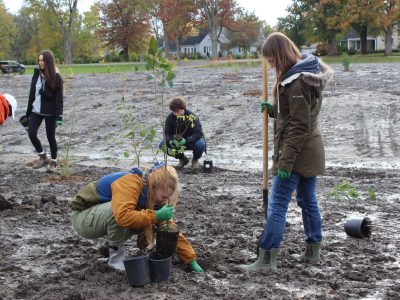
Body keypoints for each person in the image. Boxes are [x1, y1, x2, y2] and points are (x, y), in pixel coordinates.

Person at [239, 32, 333, 272]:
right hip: (308, 149)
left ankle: (267, 258)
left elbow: (299, 126)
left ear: (281, 55)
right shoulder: (299, 74)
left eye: (272, 61)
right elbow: (296, 114)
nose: (270, 66)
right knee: (306, 200)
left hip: (298, 152)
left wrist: (285, 163)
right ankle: (313, 250)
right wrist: (275, 110)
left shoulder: (299, 80)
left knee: (278, 203)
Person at [69, 162, 204, 273]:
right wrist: (156, 215)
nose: (164, 201)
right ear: (153, 185)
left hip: (97, 217)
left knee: (144, 215)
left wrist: (190, 259)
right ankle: (115, 257)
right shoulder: (130, 182)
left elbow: (168, 227)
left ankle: (110, 245)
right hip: (82, 217)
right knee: (121, 212)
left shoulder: (152, 196)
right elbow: (122, 216)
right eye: (163, 196)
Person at [26, 50, 64, 173]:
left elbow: (58, 98)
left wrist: (59, 116)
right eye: (39, 60)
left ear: (48, 61)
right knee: (31, 133)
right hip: (36, 110)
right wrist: (28, 112)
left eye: (43, 60)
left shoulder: (56, 77)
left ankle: (53, 162)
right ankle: (42, 156)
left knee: (50, 137)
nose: (40, 62)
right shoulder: (36, 74)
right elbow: (32, 93)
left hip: (50, 112)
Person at [159, 97, 206, 170]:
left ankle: (195, 160)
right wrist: (171, 141)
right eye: (174, 111)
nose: (176, 114)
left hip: (191, 141)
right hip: (177, 142)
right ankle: (182, 159)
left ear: (183, 108)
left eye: (178, 111)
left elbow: (198, 133)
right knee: (162, 145)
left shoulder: (192, 117)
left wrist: (186, 140)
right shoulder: (170, 118)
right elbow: (167, 133)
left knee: (200, 144)